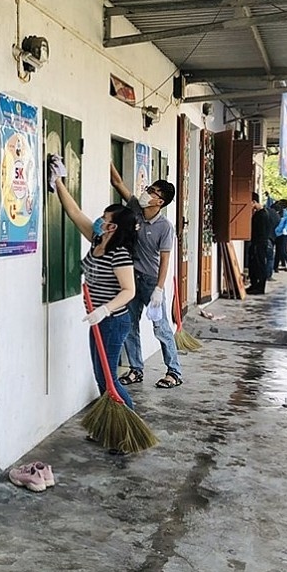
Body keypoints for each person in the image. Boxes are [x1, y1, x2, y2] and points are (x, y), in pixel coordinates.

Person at [49, 155, 136, 409]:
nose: (100, 220)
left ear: (114, 228)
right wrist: (58, 181)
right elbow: (74, 213)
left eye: (105, 219)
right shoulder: (97, 240)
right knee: (101, 378)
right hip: (98, 319)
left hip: (113, 321)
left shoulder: (119, 253)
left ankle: (128, 427)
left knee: (109, 379)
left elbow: (129, 290)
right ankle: (108, 428)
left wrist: (104, 309)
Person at [109, 163, 183, 389]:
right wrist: (108, 161)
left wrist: (159, 289)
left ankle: (174, 372)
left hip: (152, 283)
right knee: (130, 325)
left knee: (160, 327)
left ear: (160, 201)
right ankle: (136, 369)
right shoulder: (135, 210)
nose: (147, 192)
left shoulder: (165, 227)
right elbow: (118, 183)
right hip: (132, 280)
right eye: (149, 187)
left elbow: (165, 260)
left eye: (152, 191)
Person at [247, 192, 272, 294]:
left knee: (259, 265)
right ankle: (254, 285)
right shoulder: (259, 213)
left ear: (254, 202)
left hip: (260, 243)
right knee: (253, 265)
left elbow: (260, 231)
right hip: (257, 243)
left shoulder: (262, 215)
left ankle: (259, 287)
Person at [273, 199, 287, 272]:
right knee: (278, 251)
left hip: (283, 234)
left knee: (283, 251)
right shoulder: (277, 211)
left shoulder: (286, 213)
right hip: (276, 234)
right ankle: (275, 267)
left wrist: (285, 229)